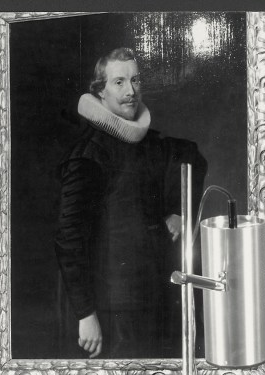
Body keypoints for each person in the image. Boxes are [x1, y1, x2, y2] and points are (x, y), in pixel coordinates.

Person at [54, 47, 207, 359]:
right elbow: (68, 239)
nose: (131, 91)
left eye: (135, 80)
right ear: (100, 91)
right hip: (113, 308)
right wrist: (85, 315)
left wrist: (178, 209)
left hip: (154, 294)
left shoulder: (146, 142)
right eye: (119, 82)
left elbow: (189, 154)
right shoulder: (87, 156)